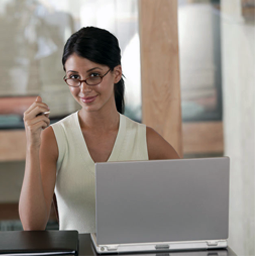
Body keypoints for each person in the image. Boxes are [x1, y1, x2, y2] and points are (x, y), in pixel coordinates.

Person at [19, 26, 180, 234]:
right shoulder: (55, 139)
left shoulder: (147, 141)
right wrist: (32, 146)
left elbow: (184, 207)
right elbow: (32, 226)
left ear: (116, 73)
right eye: (74, 77)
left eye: (94, 75)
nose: (84, 88)